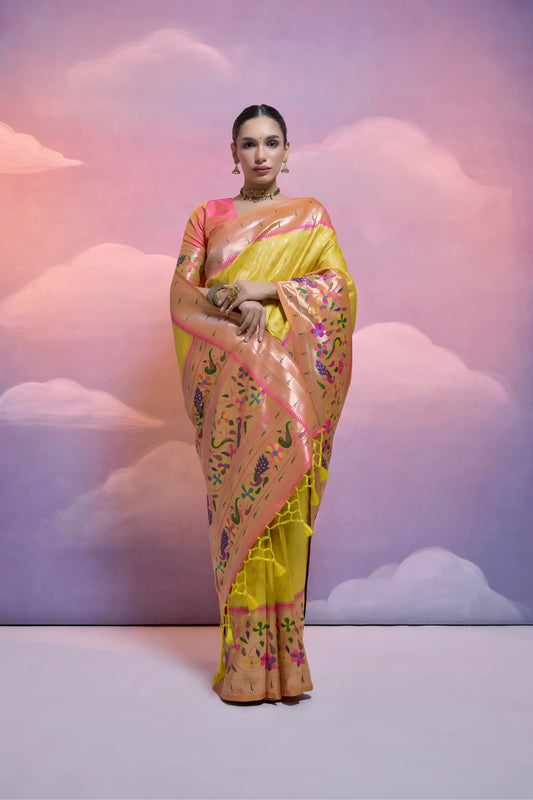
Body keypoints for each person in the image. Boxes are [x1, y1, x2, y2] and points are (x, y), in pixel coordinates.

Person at [169, 104, 357, 703]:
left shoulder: (311, 216)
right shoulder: (208, 216)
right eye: (247, 144)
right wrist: (233, 300)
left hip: (290, 386)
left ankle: (288, 669)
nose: (259, 154)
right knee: (240, 512)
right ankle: (245, 668)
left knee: (285, 511)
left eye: (270, 142)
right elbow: (184, 295)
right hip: (231, 390)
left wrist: (267, 291)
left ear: (287, 151)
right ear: (233, 154)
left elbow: (338, 293)